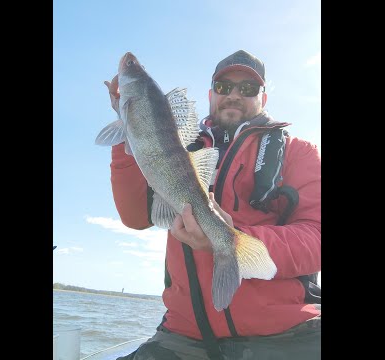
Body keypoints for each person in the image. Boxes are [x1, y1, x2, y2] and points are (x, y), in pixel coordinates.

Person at [105, 50, 321, 360]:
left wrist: (237, 240)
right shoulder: (184, 146)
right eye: (223, 87)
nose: (234, 95)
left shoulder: (299, 153)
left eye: (247, 88)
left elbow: (317, 237)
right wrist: (128, 129)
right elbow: (135, 217)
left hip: (287, 333)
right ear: (210, 93)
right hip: (182, 335)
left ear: (264, 97)